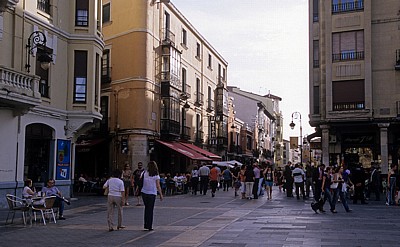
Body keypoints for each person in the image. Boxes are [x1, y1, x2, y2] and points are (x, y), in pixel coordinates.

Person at [141, 161, 163, 231]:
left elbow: (140, 180)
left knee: (146, 208)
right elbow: (158, 185)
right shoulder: (156, 175)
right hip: (152, 193)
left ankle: (146, 224)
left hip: (144, 192)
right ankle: (149, 225)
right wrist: (161, 194)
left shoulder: (144, 173)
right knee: (150, 209)